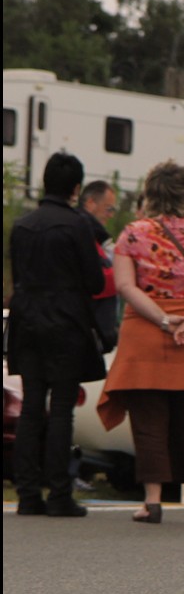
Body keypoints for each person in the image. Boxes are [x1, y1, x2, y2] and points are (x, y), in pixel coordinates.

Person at [97, 161, 184, 525]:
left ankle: (152, 501)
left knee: (148, 419)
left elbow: (126, 286)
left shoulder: (132, 234)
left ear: (149, 193)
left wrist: (160, 318)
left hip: (144, 330)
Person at [8, 153, 106, 517]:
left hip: (27, 322)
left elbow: (18, 277)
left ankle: (27, 494)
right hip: (65, 324)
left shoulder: (22, 225)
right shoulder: (77, 226)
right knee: (61, 408)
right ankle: (59, 493)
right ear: (76, 188)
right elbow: (95, 282)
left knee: (32, 408)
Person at [78, 179, 121, 353]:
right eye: (108, 208)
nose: (111, 215)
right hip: (90, 333)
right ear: (90, 203)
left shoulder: (95, 235)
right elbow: (97, 282)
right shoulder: (84, 232)